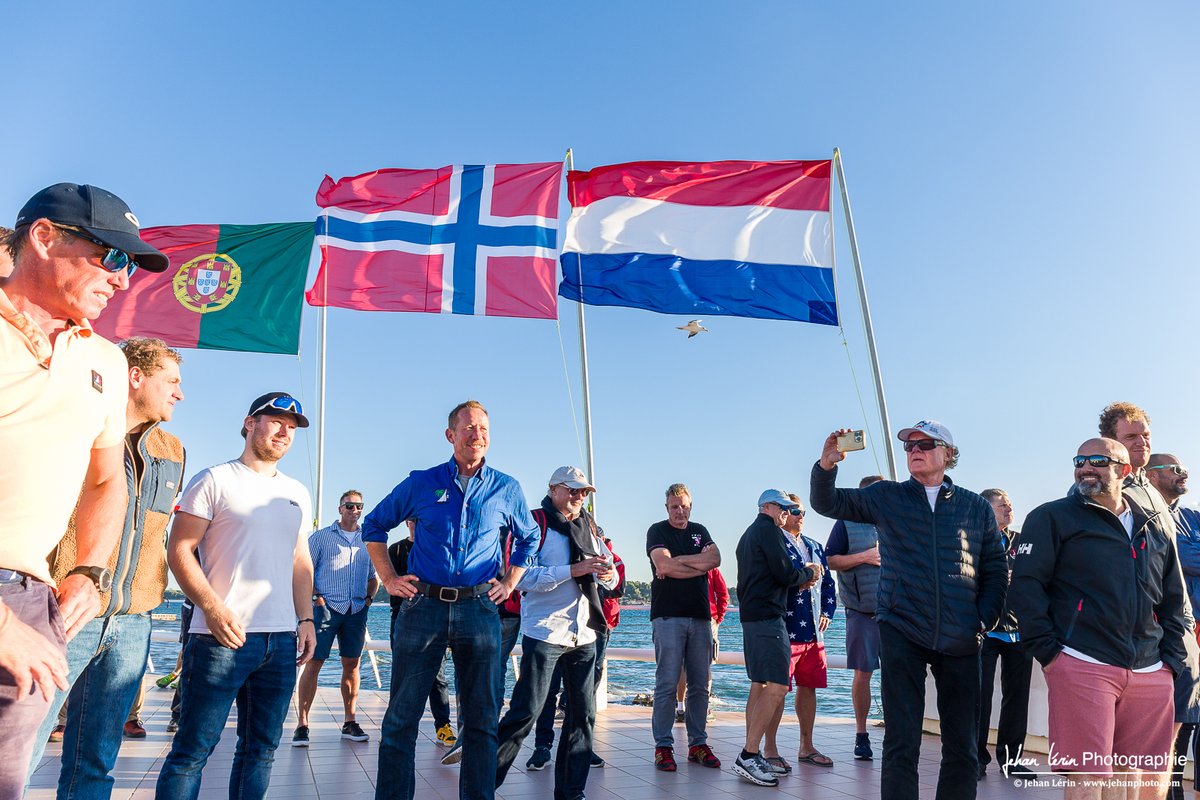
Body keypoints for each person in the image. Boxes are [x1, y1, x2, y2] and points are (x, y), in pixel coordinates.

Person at [0, 183, 167, 796]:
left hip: (34, 600)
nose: (123, 279)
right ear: (44, 238)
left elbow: (105, 480)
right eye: (111, 256)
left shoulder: (104, 361)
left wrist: (90, 575)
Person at [811, 420, 1007, 800]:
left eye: (925, 444)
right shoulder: (887, 496)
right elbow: (827, 503)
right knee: (901, 743)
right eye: (909, 445)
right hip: (901, 630)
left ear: (948, 454)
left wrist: (982, 619)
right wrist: (826, 468)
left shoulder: (976, 507)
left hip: (962, 636)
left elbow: (996, 569)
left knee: (963, 747)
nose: (914, 449)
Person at [26, 337, 187, 794]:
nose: (179, 393)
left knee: (96, 758)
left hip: (134, 620)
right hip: (67, 611)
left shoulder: (173, 450)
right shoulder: (78, 427)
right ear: (135, 376)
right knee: (23, 746)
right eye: (171, 381)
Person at [361, 400, 540, 800]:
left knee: (481, 722)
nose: (478, 435)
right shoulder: (421, 482)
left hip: (479, 610)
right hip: (422, 608)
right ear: (450, 435)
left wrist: (511, 580)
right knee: (401, 719)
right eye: (469, 427)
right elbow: (373, 525)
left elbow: (530, 536)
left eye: (484, 429)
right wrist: (388, 578)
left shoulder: (506, 488)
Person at [154, 392, 316, 800]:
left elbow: (300, 562)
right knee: (192, 752)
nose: (285, 432)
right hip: (218, 638)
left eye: (292, 427)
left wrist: (306, 620)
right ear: (249, 423)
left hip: (280, 642)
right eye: (276, 421)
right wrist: (211, 607)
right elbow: (178, 550)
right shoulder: (214, 479)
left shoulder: (296, 491)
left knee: (261, 751)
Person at [1010, 438, 1190, 800]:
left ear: (1125, 470)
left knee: (1139, 781)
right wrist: (1052, 655)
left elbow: (1173, 596)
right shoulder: (1051, 517)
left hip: (1150, 667)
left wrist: (1170, 660)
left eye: (1097, 461)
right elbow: (1026, 588)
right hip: (1082, 661)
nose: (1085, 467)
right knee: (1087, 777)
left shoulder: (1154, 524)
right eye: (1079, 460)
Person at [495, 466, 618, 800]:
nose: (579, 497)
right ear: (553, 489)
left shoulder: (589, 527)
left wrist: (606, 574)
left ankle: (571, 792)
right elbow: (522, 577)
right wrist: (572, 570)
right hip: (546, 633)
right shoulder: (534, 523)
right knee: (525, 713)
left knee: (583, 718)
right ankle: (483, 785)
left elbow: (613, 576)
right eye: (573, 490)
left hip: (585, 634)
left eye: (584, 492)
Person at [732, 489, 820, 787]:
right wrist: (808, 573)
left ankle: (751, 752)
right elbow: (784, 573)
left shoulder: (749, 534)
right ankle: (749, 754)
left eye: (790, 508)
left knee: (760, 684)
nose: (787, 512)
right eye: (782, 507)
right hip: (768, 618)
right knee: (779, 686)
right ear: (766, 507)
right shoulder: (768, 531)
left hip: (754, 616)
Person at [528, 525, 624, 771]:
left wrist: (605, 573)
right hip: (557, 629)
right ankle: (542, 747)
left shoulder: (609, 555)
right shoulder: (559, 548)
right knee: (547, 691)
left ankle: (582, 748)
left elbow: (618, 587)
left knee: (584, 695)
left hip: (596, 631)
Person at [646, 483, 722, 772]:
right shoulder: (657, 531)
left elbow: (714, 560)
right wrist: (694, 564)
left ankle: (698, 744)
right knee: (666, 685)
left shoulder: (700, 530)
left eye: (684, 506)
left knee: (700, 686)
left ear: (691, 506)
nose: (680, 511)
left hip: (701, 617)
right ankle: (663, 747)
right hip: (667, 617)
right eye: (674, 506)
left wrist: (679, 561)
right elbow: (663, 567)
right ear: (667, 508)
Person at [294, 489, 379, 746]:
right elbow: (304, 572)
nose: (354, 510)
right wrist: (317, 600)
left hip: (355, 611)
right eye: (349, 506)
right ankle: (302, 724)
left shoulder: (369, 540)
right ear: (340, 508)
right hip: (326, 610)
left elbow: (373, 577)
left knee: (351, 665)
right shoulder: (321, 538)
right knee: (314, 663)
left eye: (358, 506)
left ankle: (350, 722)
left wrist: (368, 600)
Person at [761, 492, 837, 774]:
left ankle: (807, 746)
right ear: (782, 514)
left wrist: (827, 613)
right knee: (777, 691)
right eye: (794, 511)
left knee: (809, 688)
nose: (800, 516)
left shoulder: (816, 547)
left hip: (814, 634)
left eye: (802, 511)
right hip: (786, 629)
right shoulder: (775, 544)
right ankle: (770, 748)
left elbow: (829, 584)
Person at [1145, 453, 1200, 800]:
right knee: (1170, 714)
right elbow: (1184, 558)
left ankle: (1179, 786)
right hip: (1163, 628)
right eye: (1176, 469)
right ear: (1152, 475)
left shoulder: (1192, 516)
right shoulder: (1150, 514)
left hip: (1194, 630)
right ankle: (1167, 787)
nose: (1184, 474)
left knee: (1191, 713)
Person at [975, 488, 1034, 780]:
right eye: (1003, 505)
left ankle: (1011, 760)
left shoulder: (1021, 542)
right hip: (985, 631)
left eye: (1011, 503)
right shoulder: (973, 541)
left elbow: (1038, 577)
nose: (1009, 508)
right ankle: (976, 760)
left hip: (1019, 631)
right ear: (986, 509)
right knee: (980, 699)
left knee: (1017, 698)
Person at [824, 474, 884, 760]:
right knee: (863, 674)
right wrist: (865, 556)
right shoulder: (846, 523)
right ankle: (862, 734)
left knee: (902, 676)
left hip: (899, 613)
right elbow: (830, 560)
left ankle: (900, 731)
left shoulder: (896, 520)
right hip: (862, 613)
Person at [387, 519, 458, 749]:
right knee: (401, 675)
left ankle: (443, 726)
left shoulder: (438, 549)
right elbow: (395, 584)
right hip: (402, 617)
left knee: (438, 676)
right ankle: (395, 726)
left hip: (434, 619)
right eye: (415, 520)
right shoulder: (396, 549)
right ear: (408, 522)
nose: (419, 524)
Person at [674, 566, 729, 725]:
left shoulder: (680, 561)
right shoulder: (711, 567)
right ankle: (703, 709)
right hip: (707, 617)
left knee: (683, 665)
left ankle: (681, 707)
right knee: (705, 665)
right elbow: (722, 594)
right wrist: (718, 618)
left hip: (681, 616)